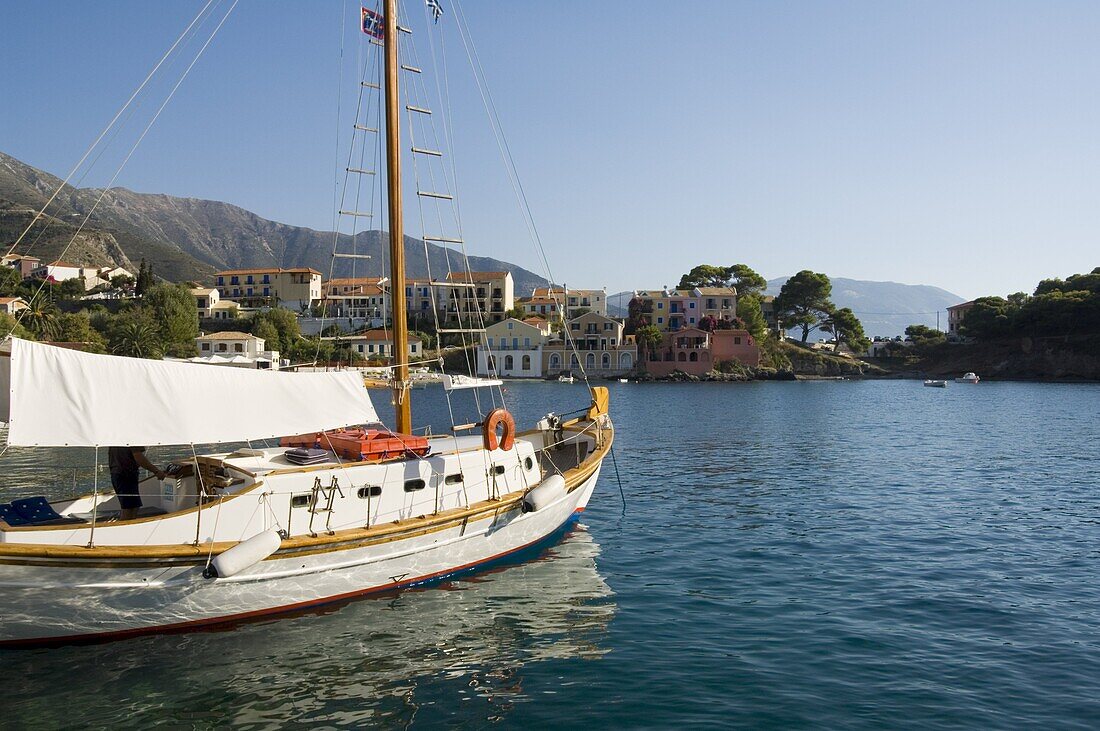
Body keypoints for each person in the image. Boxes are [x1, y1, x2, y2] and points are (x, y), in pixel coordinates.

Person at [108, 446, 167, 521]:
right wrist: (156, 471)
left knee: (132, 508)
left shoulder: (119, 436)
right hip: (126, 475)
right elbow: (138, 456)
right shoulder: (133, 437)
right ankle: (124, 530)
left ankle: (128, 529)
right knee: (129, 510)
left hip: (118, 473)